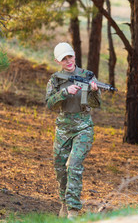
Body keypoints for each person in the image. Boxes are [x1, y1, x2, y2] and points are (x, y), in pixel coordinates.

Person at [45, 42, 101, 218]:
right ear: (57, 60)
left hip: (83, 126)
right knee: (60, 167)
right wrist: (64, 92)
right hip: (63, 127)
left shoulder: (88, 75)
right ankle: (64, 201)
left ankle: (73, 210)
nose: (68, 61)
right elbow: (49, 104)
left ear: (74, 55)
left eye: (70, 56)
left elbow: (96, 104)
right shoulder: (55, 79)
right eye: (64, 59)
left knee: (73, 165)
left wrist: (93, 91)